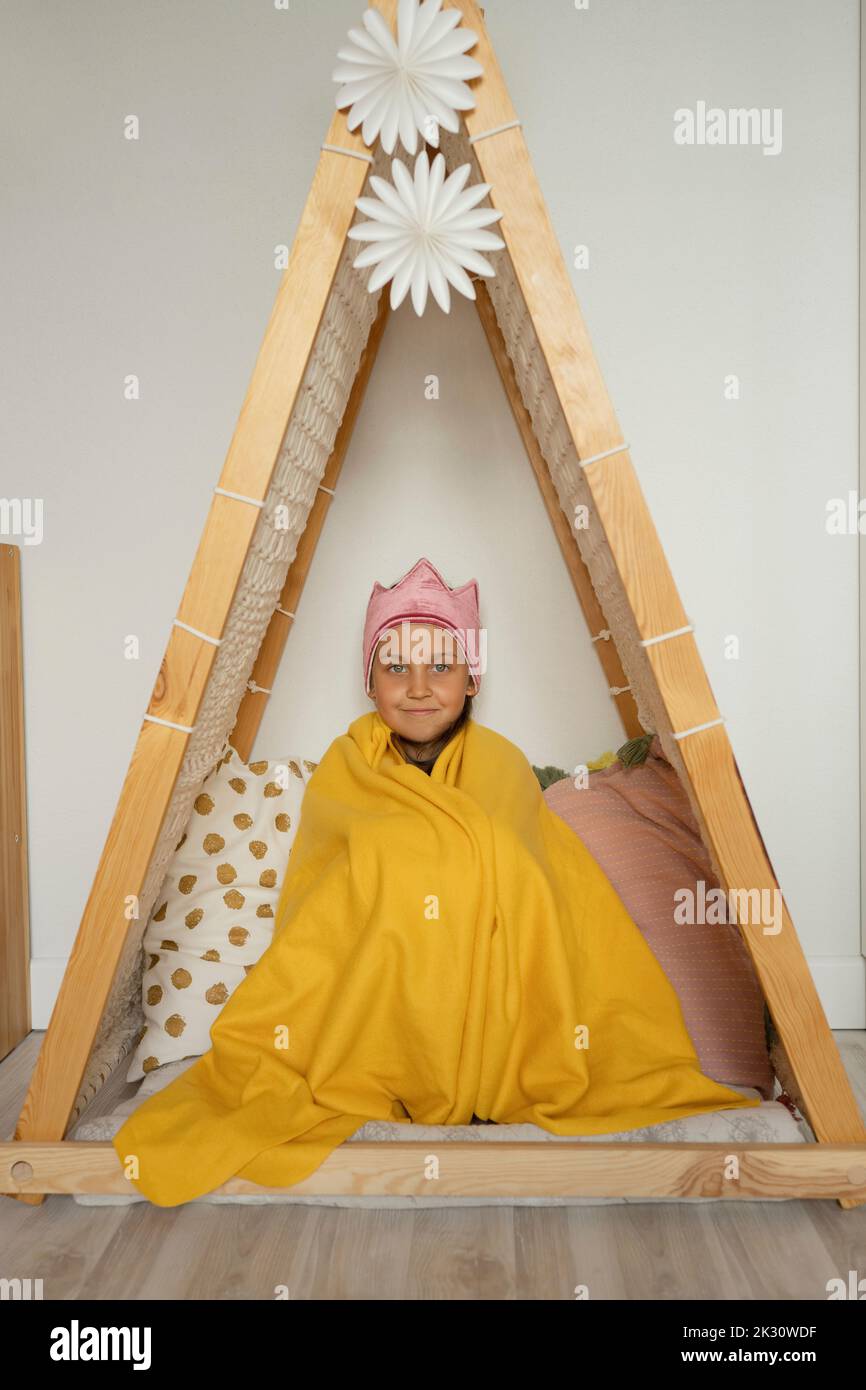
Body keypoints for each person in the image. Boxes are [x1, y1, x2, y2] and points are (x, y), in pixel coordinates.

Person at [110, 556, 760, 1207]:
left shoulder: (500, 762)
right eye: (396, 668)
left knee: (501, 869)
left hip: (501, 996)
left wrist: (461, 871)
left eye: (440, 667)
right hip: (382, 993)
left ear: (472, 679)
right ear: (370, 682)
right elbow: (329, 884)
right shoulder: (346, 766)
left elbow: (529, 869)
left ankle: (489, 1062)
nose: (418, 687)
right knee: (390, 868)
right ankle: (403, 1059)